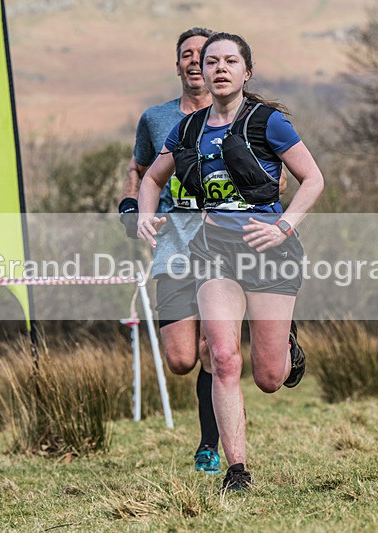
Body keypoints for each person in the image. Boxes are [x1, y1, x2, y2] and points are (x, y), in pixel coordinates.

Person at [137, 32, 324, 492]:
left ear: (246, 72)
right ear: (202, 71)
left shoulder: (268, 122)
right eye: (212, 61)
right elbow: (151, 179)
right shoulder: (187, 129)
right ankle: (237, 470)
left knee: (269, 378)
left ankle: (286, 344)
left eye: (230, 61)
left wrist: (283, 226)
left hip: (269, 251)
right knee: (222, 357)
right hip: (213, 252)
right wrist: (144, 215)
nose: (220, 68)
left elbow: (313, 179)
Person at [118, 27, 222, 474]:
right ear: (177, 64)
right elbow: (139, 169)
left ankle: (210, 446)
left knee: (214, 350)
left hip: (224, 247)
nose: (195, 61)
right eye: (187, 54)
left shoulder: (237, 115)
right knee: (181, 359)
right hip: (173, 247)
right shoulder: (156, 119)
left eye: (204, 54)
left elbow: (271, 175)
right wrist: (130, 208)